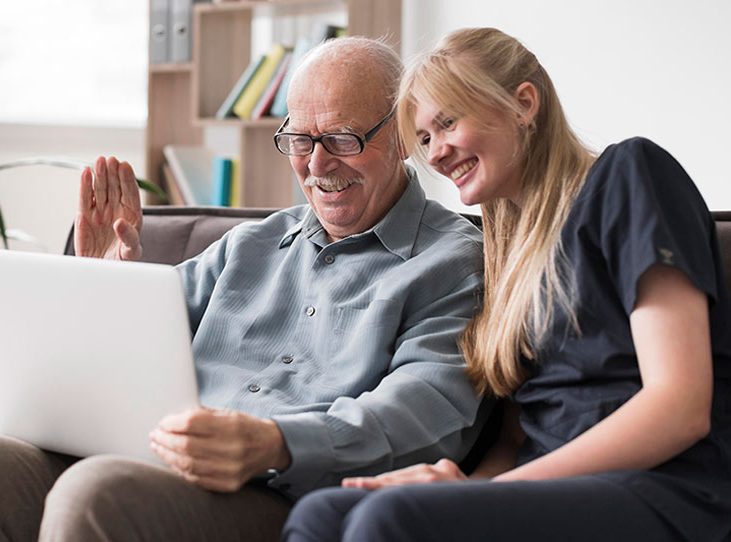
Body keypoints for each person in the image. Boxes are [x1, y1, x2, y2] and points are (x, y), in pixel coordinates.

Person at [0, 37, 491, 541]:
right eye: (298, 139)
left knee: (97, 491)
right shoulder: (250, 246)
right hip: (154, 459)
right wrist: (106, 288)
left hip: (280, 495)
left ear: (401, 135)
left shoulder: (454, 262)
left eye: (341, 138)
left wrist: (276, 443)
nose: (316, 164)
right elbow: (134, 350)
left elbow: (426, 415)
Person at [282, 27, 731, 542]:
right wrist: (468, 484)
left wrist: (484, 494)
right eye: (425, 138)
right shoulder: (507, 251)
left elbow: (680, 407)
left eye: (447, 122)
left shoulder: (629, 176)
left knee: (387, 520)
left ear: (523, 104)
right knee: (323, 513)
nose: (436, 153)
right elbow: (517, 437)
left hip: (663, 489)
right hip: (544, 491)